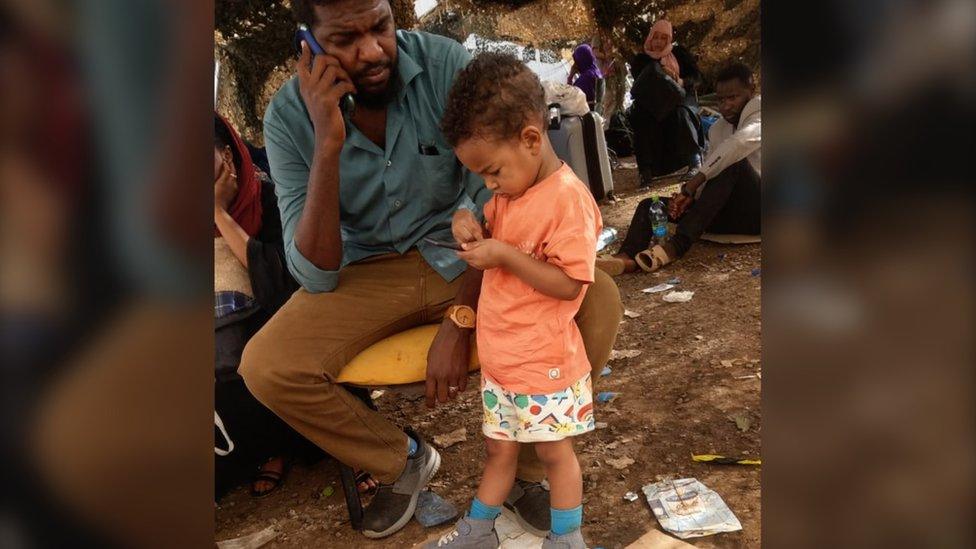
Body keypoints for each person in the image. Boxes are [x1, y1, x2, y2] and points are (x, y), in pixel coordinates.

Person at [239, 0, 623, 539]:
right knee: (266, 366)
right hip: (363, 272)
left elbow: (495, 213)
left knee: (597, 297)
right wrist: (327, 143)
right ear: (310, 43)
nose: (373, 51)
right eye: (347, 39)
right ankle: (404, 458)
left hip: (463, 259)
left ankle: (529, 468)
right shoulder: (286, 118)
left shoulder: (444, 67)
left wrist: (462, 316)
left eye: (381, 27)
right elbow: (316, 272)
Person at [424, 52, 597, 549]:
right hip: (505, 363)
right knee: (498, 455)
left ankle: (566, 539)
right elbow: (486, 221)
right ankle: (478, 532)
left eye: (492, 171)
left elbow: (570, 284)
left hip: (544, 362)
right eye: (481, 176)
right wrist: (467, 221)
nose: (489, 185)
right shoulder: (507, 195)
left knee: (553, 456)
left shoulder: (567, 200)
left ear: (530, 138)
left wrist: (503, 255)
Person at [214, 113, 345, 499]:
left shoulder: (272, 199)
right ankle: (268, 449)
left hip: (286, 319)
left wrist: (218, 213)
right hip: (225, 346)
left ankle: (335, 446)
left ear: (229, 157)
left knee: (269, 339)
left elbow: (277, 281)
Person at [597, 62, 761, 275]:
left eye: (733, 98)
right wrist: (689, 199)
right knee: (651, 205)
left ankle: (675, 247)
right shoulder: (719, 129)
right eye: (721, 99)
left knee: (734, 165)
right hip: (725, 216)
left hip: (758, 214)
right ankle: (626, 258)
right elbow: (713, 170)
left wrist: (693, 183)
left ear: (751, 92)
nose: (726, 106)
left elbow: (737, 146)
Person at [628, 19, 704, 187]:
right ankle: (645, 170)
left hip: (681, 98)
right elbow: (642, 85)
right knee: (640, 116)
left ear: (669, 39)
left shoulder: (679, 54)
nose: (659, 42)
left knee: (681, 113)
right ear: (650, 38)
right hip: (653, 103)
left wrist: (680, 80)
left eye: (664, 38)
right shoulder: (641, 59)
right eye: (656, 37)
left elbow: (697, 78)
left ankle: (694, 160)